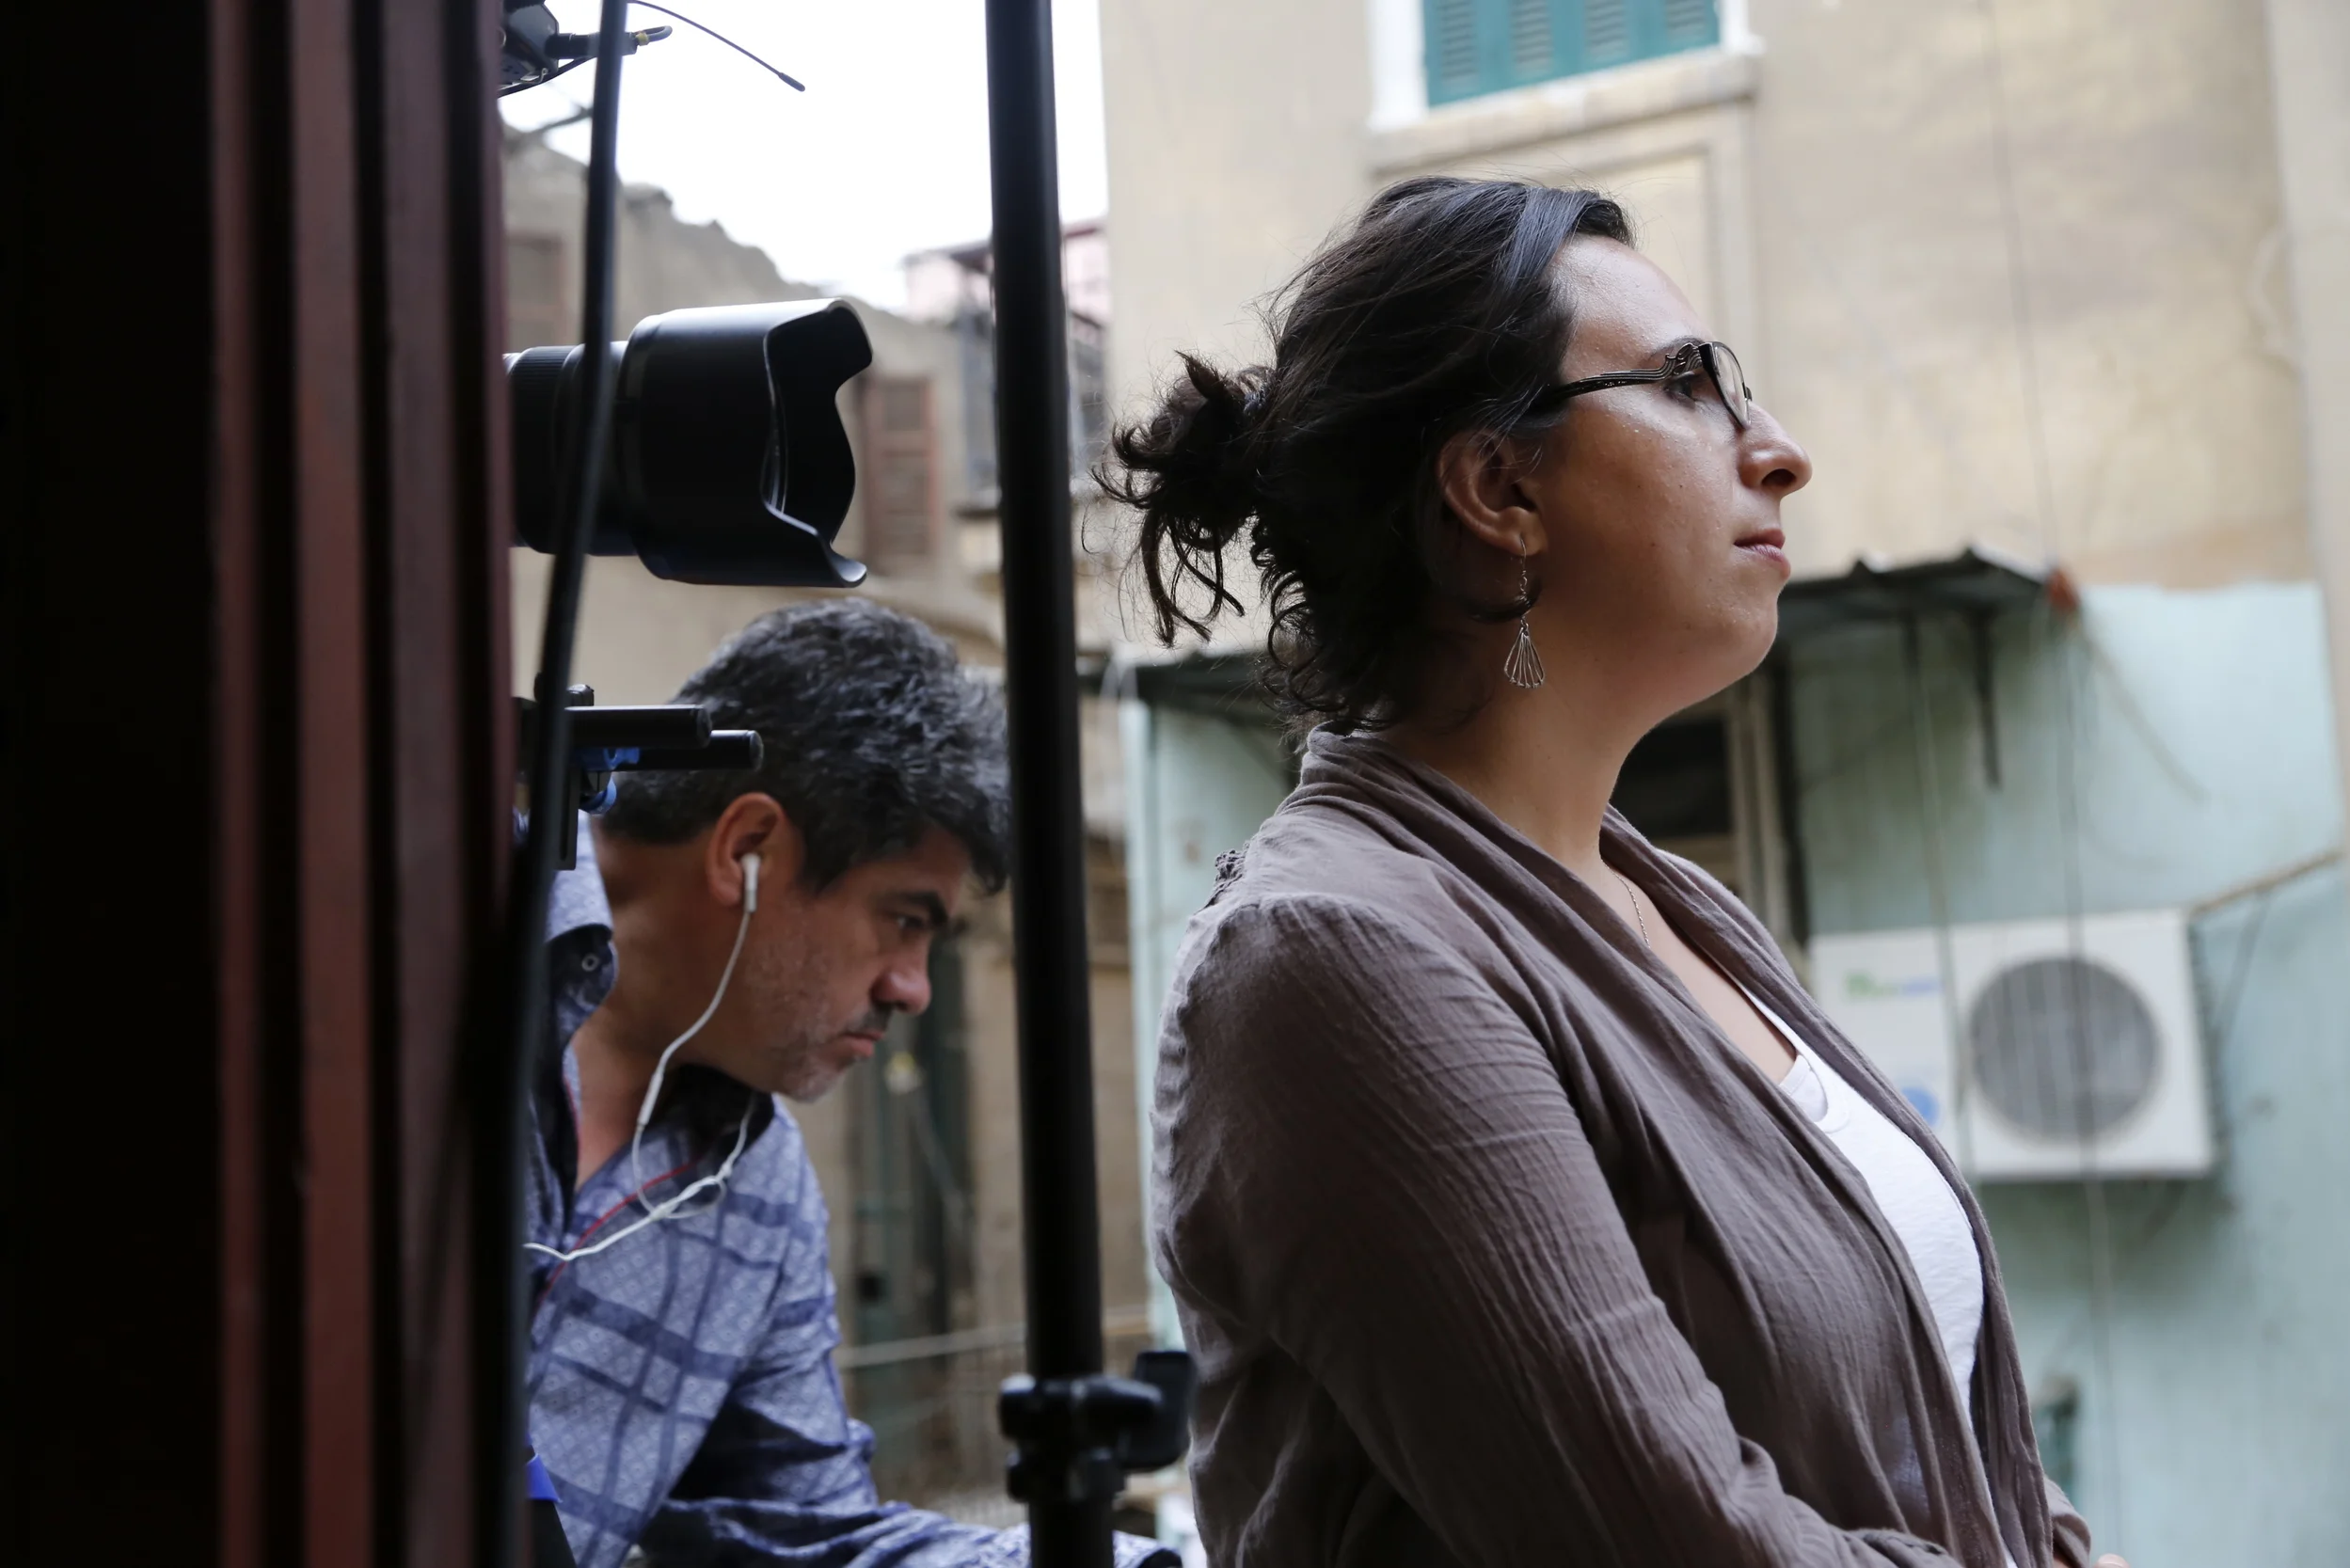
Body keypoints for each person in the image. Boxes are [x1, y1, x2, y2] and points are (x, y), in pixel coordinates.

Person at [1108, 177, 2130, 1568]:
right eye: (1695, 385)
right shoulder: (1337, 956)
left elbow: (1958, 1443)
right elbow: (1681, 1540)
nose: (1777, 451)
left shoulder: (1677, 907)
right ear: (1499, 486)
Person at [529, 598, 1171, 1568]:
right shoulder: (409, 925)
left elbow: (803, 1534)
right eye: (903, 919)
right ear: (746, 849)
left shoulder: (755, 1196)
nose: (910, 988)